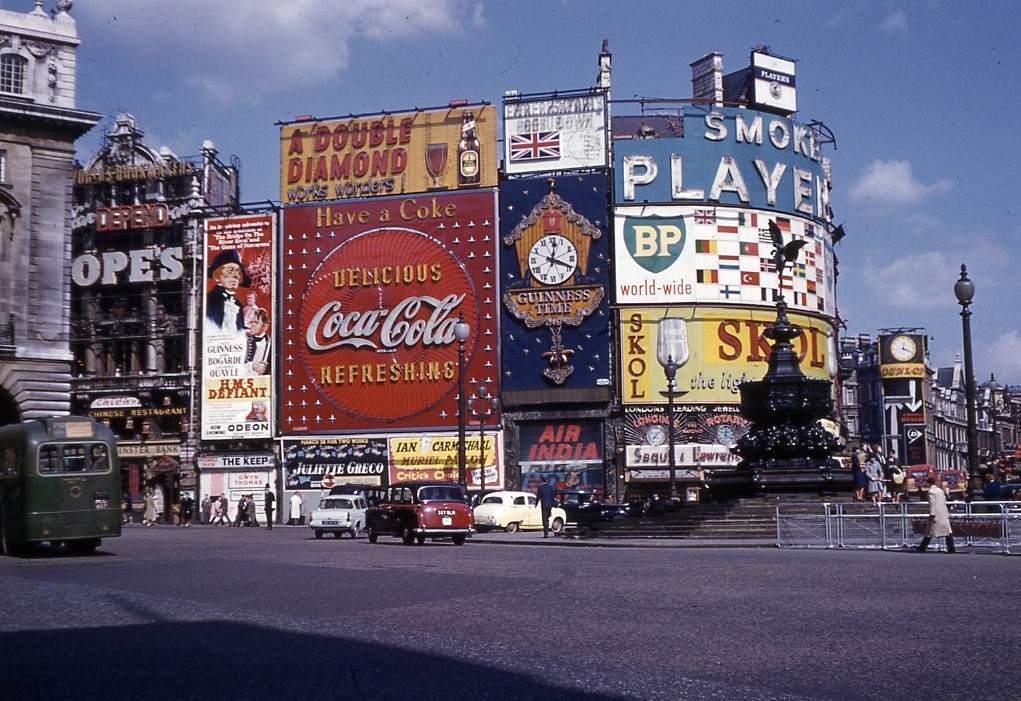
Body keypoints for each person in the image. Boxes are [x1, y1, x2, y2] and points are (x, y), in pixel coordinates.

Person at [205, 249, 251, 333]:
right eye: (230, 270)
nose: (236, 275)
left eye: (238, 272)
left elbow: (239, 330)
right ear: (218, 275)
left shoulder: (238, 304)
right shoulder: (209, 299)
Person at [917, 478, 955, 553]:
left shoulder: (931, 491)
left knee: (930, 531)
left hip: (936, 514)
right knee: (947, 531)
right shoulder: (940, 490)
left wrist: (932, 514)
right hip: (943, 513)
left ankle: (922, 548)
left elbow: (932, 503)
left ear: (928, 483)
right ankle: (951, 548)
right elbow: (944, 501)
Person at [243, 308, 271, 376]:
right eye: (251, 322)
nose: (253, 325)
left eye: (256, 322)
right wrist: (252, 366)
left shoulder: (270, 343)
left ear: (265, 326)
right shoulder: (244, 339)